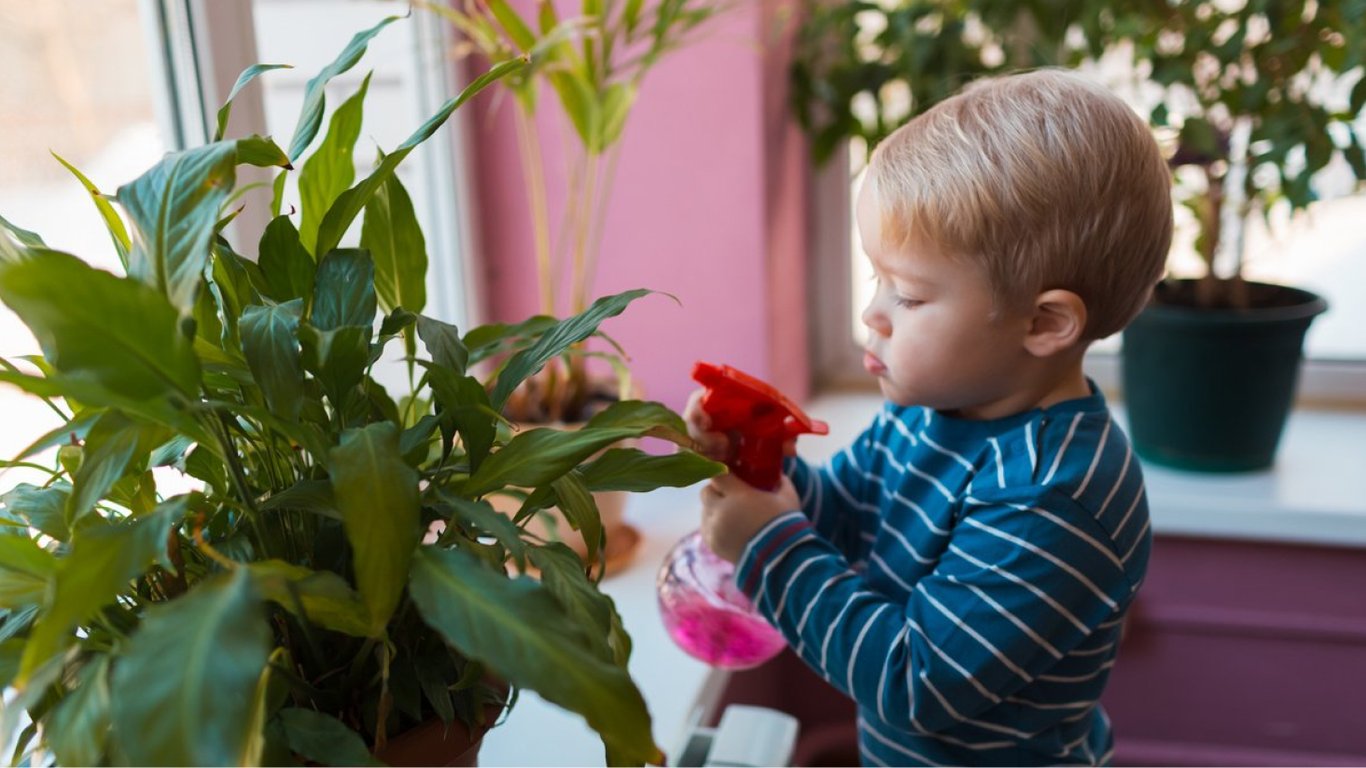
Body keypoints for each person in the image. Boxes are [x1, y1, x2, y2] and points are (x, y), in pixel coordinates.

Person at [686, 68, 1173, 766]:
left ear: (1044, 323)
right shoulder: (938, 410)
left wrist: (768, 547)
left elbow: (915, 680)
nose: (871, 314)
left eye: (909, 296)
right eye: (877, 278)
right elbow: (849, 516)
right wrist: (758, 460)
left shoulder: (1054, 494)